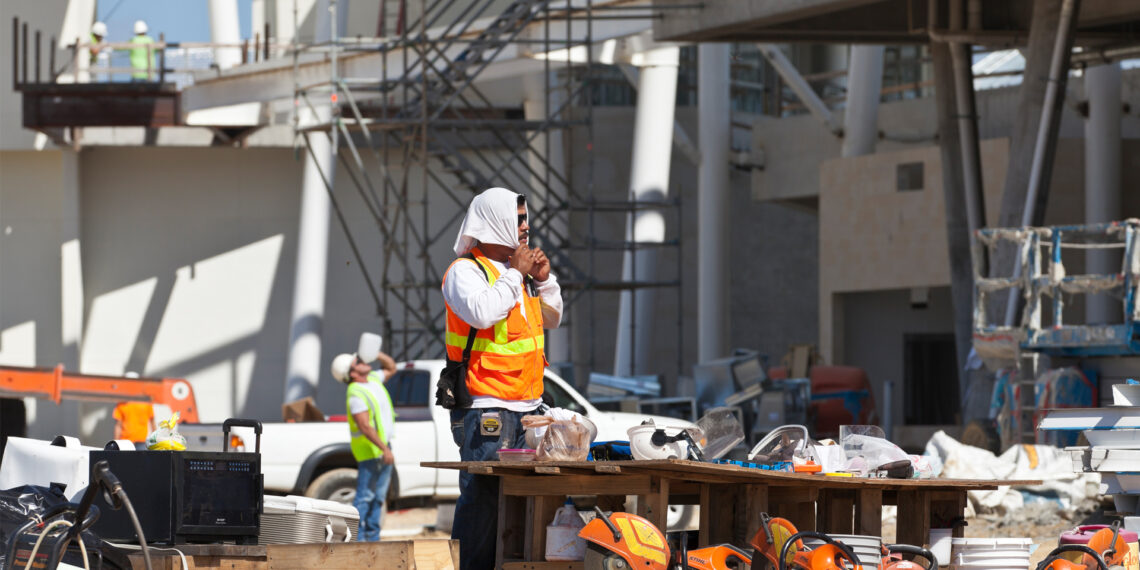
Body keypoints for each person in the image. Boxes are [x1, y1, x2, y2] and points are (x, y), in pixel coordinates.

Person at [441, 187, 563, 569]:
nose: (526, 227)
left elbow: (553, 318)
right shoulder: (465, 271)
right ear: (494, 222)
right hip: (486, 411)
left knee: (524, 506)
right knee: (483, 502)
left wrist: (543, 280)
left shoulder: (519, 274)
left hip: (528, 410)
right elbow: (483, 312)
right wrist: (516, 274)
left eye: (527, 218)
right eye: (519, 218)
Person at [331, 350, 397, 542]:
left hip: (382, 448)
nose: (363, 360)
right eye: (358, 361)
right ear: (352, 373)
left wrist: (375, 353)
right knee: (365, 498)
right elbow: (365, 426)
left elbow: (391, 366)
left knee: (378, 498)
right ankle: (358, 541)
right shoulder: (355, 393)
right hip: (371, 452)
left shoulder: (373, 379)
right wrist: (385, 449)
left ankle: (372, 540)